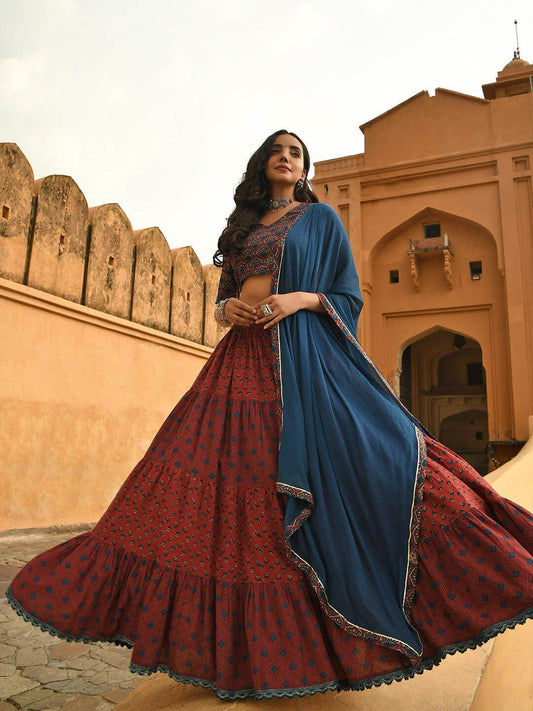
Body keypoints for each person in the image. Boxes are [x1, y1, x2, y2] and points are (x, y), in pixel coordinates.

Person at [6, 130, 533, 701]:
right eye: (278, 150)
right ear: (263, 163)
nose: (287, 157)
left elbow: (348, 297)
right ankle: (244, 648)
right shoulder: (243, 228)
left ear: (303, 168)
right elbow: (228, 293)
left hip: (302, 355)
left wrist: (301, 300)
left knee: (371, 456)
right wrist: (225, 308)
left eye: (297, 152)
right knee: (213, 486)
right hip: (239, 360)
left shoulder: (321, 219)